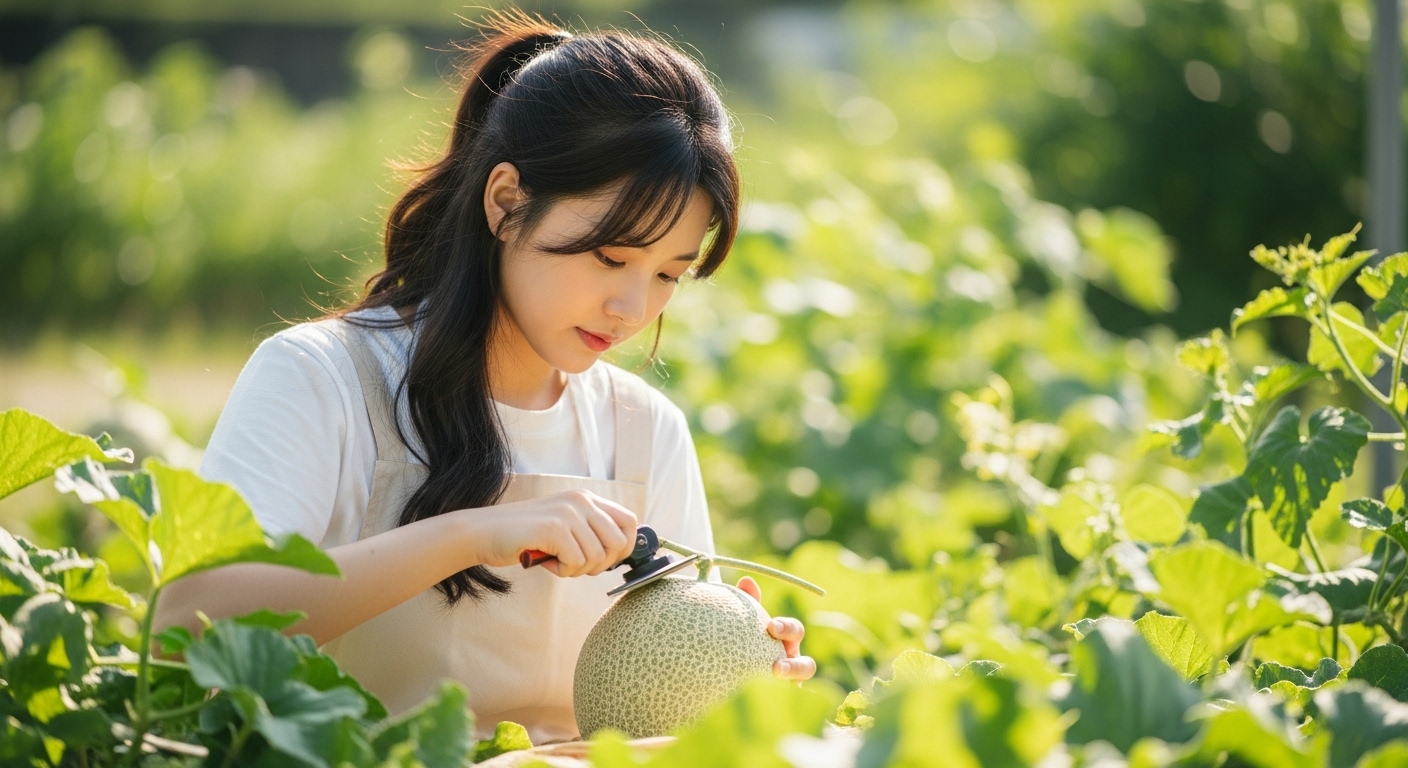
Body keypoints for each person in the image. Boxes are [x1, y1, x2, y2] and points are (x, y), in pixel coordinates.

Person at [154, 11, 815, 745]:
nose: (634, 308)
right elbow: (188, 623)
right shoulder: (321, 377)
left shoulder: (645, 428)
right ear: (505, 202)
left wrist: (742, 675)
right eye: (611, 257)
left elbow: (666, 722)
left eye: (669, 273)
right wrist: (472, 533)